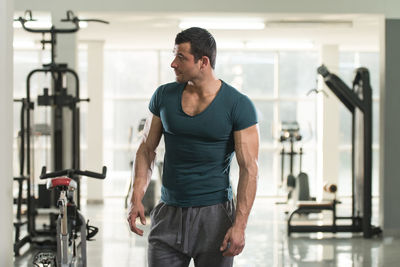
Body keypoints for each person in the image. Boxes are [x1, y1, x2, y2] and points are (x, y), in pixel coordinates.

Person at [127, 27, 259, 267]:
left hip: (215, 216)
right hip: (168, 212)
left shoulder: (238, 105)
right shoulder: (163, 96)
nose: (173, 64)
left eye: (181, 57)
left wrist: (239, 226)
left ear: (203, 62)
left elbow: (249, 168)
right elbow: (146, 149)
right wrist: (136, 196)